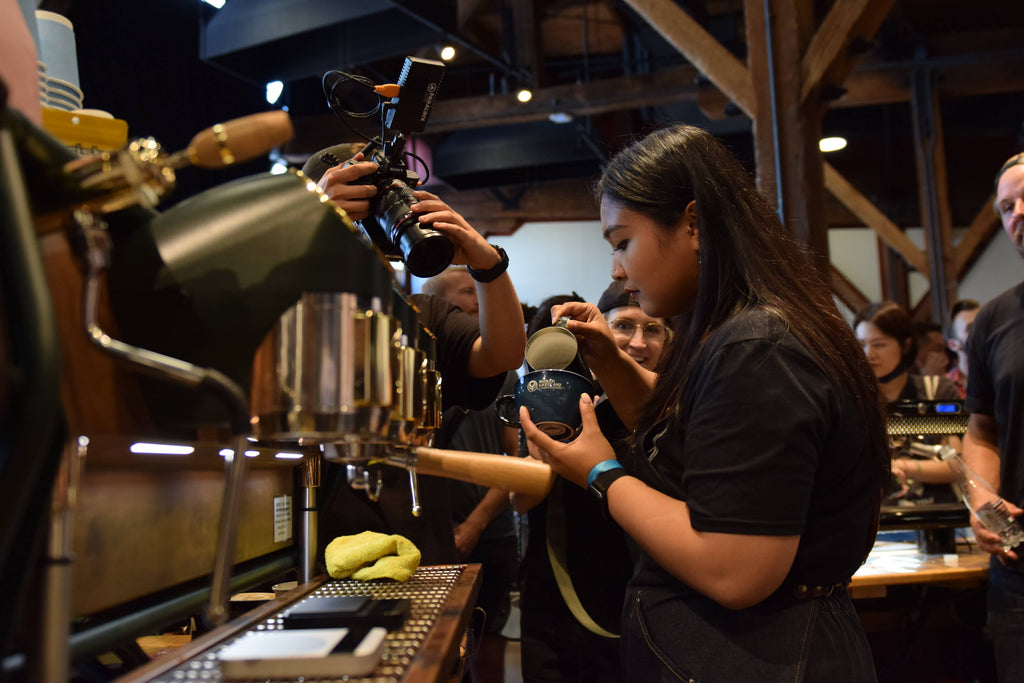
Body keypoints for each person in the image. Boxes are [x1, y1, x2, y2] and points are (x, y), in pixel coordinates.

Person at [518, 124, 888, 681]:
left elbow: (735, 569)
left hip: (760, 652)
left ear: (692, 223)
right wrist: (612, 365)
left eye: (622, 242)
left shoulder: (756, 346)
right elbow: (699, 435)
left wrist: (601, 473)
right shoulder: (744, 330)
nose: (617, 269)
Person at [302, 145, 527, 566]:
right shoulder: (288, 314)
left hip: (418, 554)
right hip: (307, 555)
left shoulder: (421, 316)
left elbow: (504, 353)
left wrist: (487, 264)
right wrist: (309, 222)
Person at [422, 265, 519, 683]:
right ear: (439, 305)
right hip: (433, 534)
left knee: (487, 638)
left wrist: (476, 524)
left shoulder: (504, 374)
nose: (479, 302)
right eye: (469, 292)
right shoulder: (419, 359)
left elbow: (516, 460)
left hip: (492, 532)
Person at [962, 151, 1024, 682]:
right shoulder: (994, 319)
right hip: (1019, 570)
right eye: (1007, 207)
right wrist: (982, 500)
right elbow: (982, 428)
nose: (1018, 213)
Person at [853, 301, 960, 496]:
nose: (869, 354)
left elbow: (957, 465)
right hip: (875, 517)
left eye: (879, 344)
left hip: (936, 513)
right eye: (861, 344)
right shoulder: (851, 398)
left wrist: (902, 466)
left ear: (906, 345)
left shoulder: (935, 391)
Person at [947, 298, 980, 399]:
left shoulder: (1003, 377)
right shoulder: (946, 387)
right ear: (953, 345)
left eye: (983, 324)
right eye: (970, 328)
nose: (982, 331)